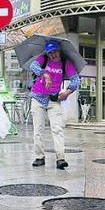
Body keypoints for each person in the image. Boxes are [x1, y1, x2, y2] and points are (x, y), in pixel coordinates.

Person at [29, 40, 79, 169]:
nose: (53, 55)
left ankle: (60, 158)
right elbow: (33, 66)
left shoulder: (65, 63)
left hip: (54, 99)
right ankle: (39, 157)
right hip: (37, 97)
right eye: (50, 53)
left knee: (57, 129)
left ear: (59, 51)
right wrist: (44, 74)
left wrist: (67, 93)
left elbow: (75, 80)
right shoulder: (43, 59)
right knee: (38, 129)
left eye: (55, 52)